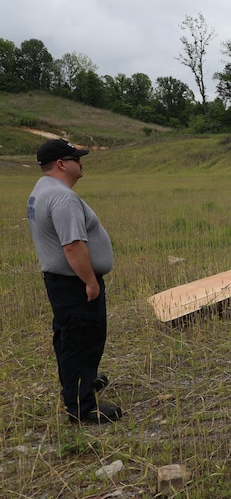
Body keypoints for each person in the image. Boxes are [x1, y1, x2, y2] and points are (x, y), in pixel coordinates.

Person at [27, 139, 122, 424]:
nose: (81, 163)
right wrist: (90, 281)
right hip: (75, 284)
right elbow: (73, 245)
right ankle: (82, 408)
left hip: (60, 282)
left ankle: (81, 382)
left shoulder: (41, 189)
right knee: (84, 338)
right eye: (75, 158)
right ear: (60, 164)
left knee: (69, 337)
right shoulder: (63, 198)